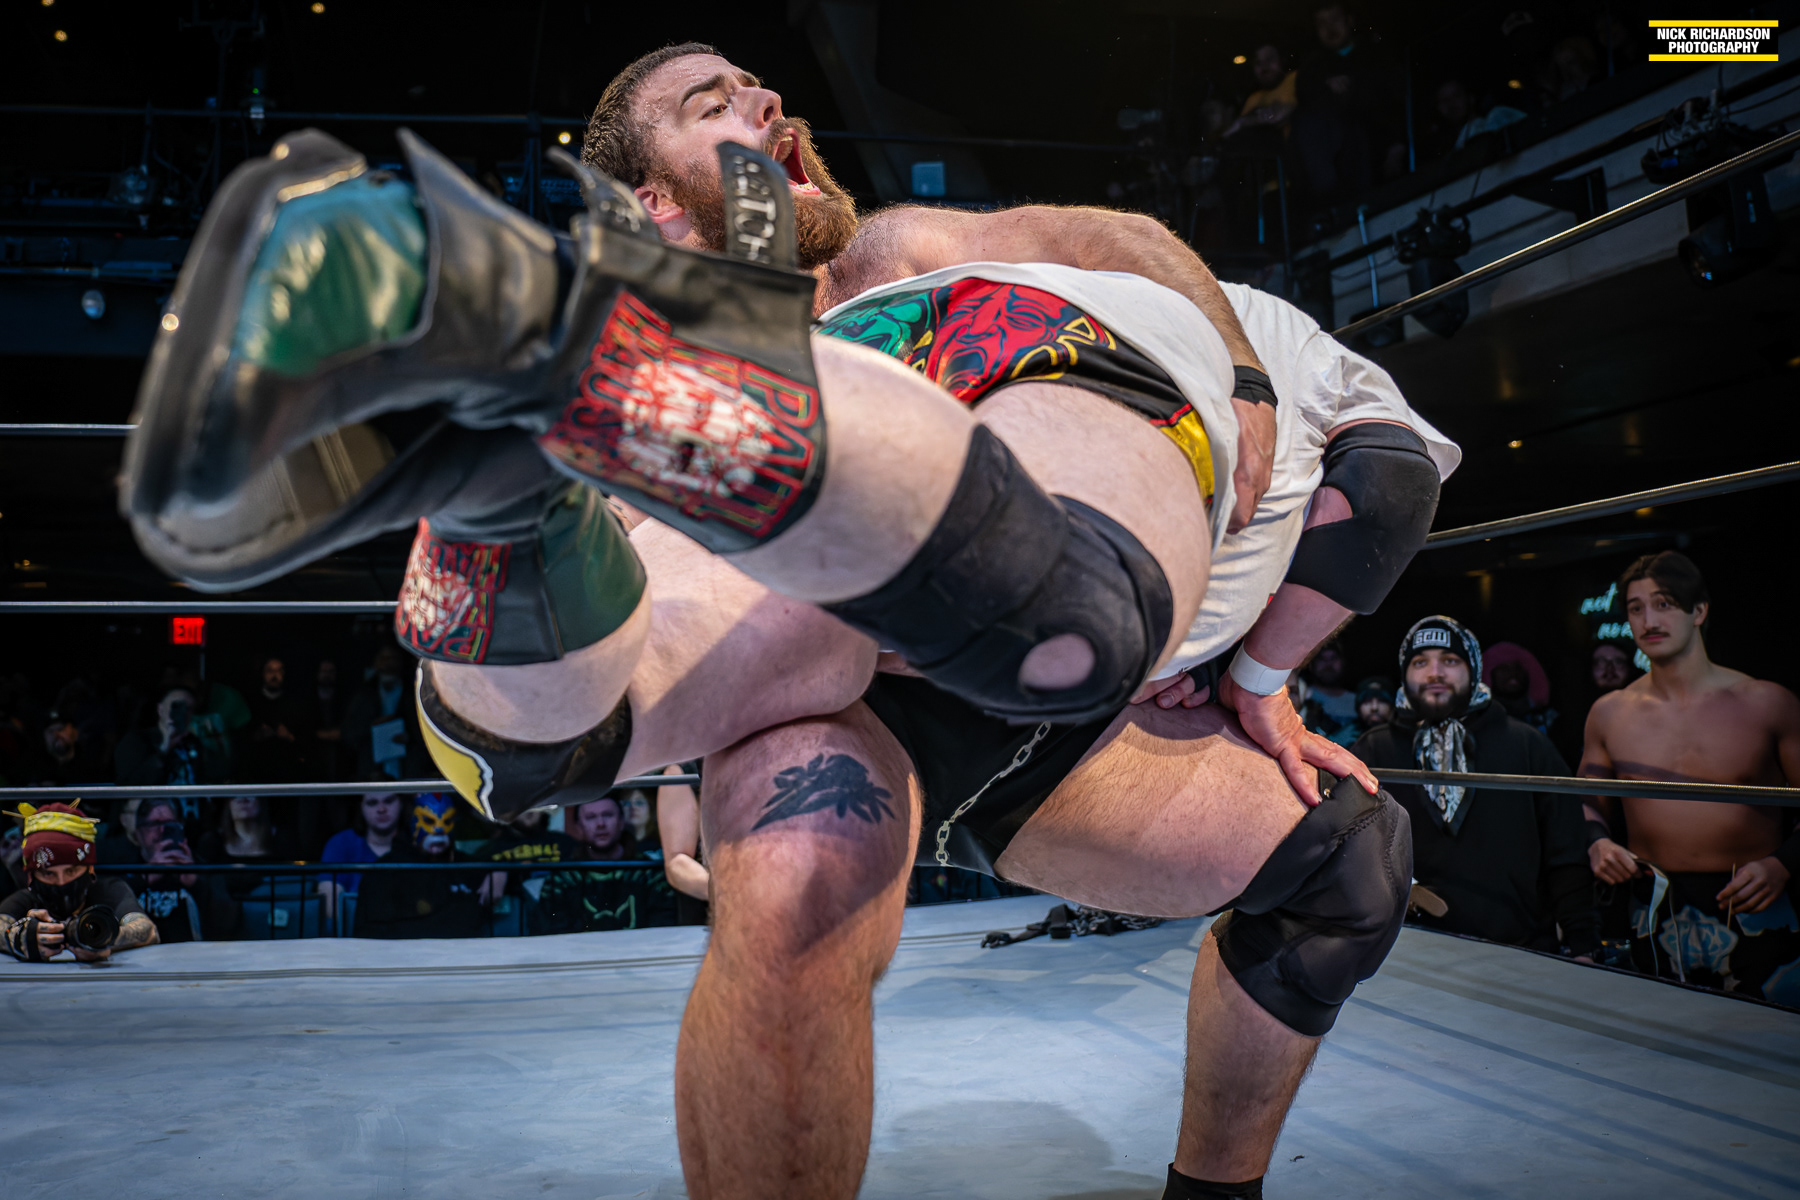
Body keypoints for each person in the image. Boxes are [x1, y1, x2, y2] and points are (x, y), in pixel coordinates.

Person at [121, 41, 1457, 1197]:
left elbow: (1132, 243)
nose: (764, 100)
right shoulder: (879, 277)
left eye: (760, 86)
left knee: (1337, 862)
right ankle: (511, 478)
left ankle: (506, 460)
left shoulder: (898, 246)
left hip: (955, 458)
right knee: (806, 806)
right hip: (926, 559)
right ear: (650, 200)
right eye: (713, 102)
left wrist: (1242, 379)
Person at [1582, 552, 1800, 1003]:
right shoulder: (1609, 713)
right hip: (1654, 903)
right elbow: (1586, 804)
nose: (1648, 620)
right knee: (1661, 1034)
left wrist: (1784, 863)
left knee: (1767, 1036)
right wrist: (1597, 843)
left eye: (1663, 603)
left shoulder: (1767, 703)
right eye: (1636, 608)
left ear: (1698, 611)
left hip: (1754, 897)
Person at [1353, 617, 1600, 959]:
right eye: (1420, 662)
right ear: (1404, 673)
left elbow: (1566, 852)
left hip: (1518, 949)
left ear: (1473, 669)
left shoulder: (1527, 745)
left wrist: (1583, 944)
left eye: (1450, 660)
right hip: (1401, 954)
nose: (1435, 673)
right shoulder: (1372, 751)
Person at [0, 802, 159, 962]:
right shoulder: (26, 899)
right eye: (49, 873)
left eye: (71, 871)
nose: (61, 882)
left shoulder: (108, 890)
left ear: (90, 869)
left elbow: (148, 930)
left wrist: (104, 937)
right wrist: (18, 938)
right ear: (31, 876)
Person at [1291, 3, 1407, 205]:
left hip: (1382, 157)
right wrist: (1326, 88)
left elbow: (1398, 101)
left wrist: (1398, 144)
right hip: (1339, 174)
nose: (1330, 28)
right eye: (1322, 23)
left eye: (1335, 19)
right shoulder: (1311, 69)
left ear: (1349, 20)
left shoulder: (1377, 55)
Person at [353, 793, 489, 939]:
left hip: (461, 951)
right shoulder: (386, 871)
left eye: (447, 821)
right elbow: (369, 932)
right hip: (404, 952)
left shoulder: (465, 865)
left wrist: (499, 873)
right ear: (412, 822)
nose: (439, 829)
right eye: (429, 821)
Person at [536, 794, 677, 933]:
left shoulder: (648, 873)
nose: (600, 824)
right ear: (578, 827)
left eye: (607, 815)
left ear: (621, 822)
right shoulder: (563, 879)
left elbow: (664, 928)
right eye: (591, 817)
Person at [129, 799, 239, 942]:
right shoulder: (125, 869)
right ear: (139, 834)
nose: (162, 830)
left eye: (169, 823)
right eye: (154, 824)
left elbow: (229, 923)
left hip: (192, 953)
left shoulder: (202, 868)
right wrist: (144, 879)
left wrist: (195, 883)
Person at [341, 645, 431, 782]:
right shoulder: (364, 695)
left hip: (408, 767)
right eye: (383, 659)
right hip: (371, 769)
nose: (388, 664)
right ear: (376, 663)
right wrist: (373, 727)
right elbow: (349, 734)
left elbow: (426, 731)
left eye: (392, 658)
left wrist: (409, 736)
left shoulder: (415, 693)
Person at [318, 791, 403, 925]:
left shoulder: (418, 843)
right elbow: (330, 907)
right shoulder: (340, 843)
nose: (381, 809)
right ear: (361, 807)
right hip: (357, 935)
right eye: (372, 803)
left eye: (388, 801)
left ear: (401, 803)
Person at [245, 656, 311, 781]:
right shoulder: (252, 703)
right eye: (270, 671)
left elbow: (306, 739)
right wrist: (258, 735)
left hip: (288, 771)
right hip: (258, 770)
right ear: (262, 673)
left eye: (279, 671)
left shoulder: (294, 704)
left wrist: (288, 736)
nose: (274, 675)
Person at [1483, 641, 1556, 737]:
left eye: (1518, 667)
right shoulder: (1478, 721)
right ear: (1488, 675)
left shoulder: (1549, 720)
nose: (1513, 673)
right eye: (1504, 669)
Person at [1225, 45, 1297, 139]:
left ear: (1282, 60)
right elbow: (1235, 127)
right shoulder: (1254, 98)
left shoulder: (1296, 80)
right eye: (1258, 62)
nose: (1264, 67)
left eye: (1269, 59)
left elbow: (1281, 113)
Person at [1297, 642, 1358, 745]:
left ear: (1343, 662)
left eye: (1333, 658)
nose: (1328, 664)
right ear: (1311, 664)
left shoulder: (1358, 701)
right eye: (1322, 659)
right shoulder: (1302, 696)